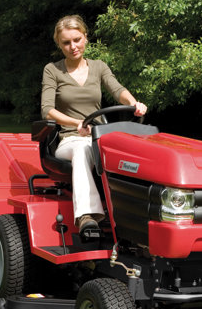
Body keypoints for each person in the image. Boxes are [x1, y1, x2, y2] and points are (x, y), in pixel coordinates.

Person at [41, 15, 147, 236]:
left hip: (99, 137)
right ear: (59, 45)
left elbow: (118, 90)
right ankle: (87, 216)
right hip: (69, 139)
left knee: (136, 152)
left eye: (77, 39)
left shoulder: (99, 67)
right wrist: (76, 123)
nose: (73, 46)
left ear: (86, 38)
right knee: (81, 149)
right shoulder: (52, 70)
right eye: (66, 43)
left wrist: (133, 103)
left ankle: (137, 214)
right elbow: (47, 110)